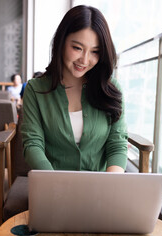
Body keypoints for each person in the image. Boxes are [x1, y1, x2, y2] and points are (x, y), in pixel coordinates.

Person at [21, 5, 128, 173]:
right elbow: (32, 144)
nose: (84, 60)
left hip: (99, 190)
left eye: (95, 52)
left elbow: (117, 143)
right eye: (77, 48)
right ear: (61, 41)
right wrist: (55, 183)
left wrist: (111, 186)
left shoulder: (111, 88)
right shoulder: (35, 89)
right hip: (52, 187)